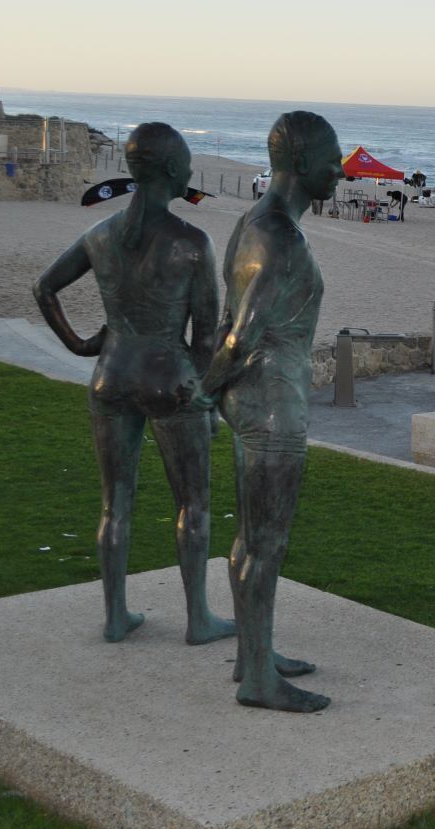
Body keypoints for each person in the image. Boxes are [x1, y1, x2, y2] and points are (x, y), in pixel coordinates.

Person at [34, 123, 234, 647]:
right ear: (170, 170)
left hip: (112, 373)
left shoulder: (101, 234)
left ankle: (116, 615)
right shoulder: (192, 242)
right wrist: (206, 395)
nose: (191, 171)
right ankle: (199, 618)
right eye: (187, 163)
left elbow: (45, 288)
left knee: (114, 503)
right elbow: (206, 332)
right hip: (169, 378)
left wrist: (80, 346)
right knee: (193, 503)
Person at [195, 110, 344, 712]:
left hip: (253, 399)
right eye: (333, 158)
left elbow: (228, 318)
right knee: (268, 543)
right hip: (273, 405)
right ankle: (259, 678)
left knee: (250, 536)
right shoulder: (279, 237)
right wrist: (202, 393)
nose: (341, 169)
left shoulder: (253, 220)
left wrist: (216, 394)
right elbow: (240, 336)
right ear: (303, 163)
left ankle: (252, 652)